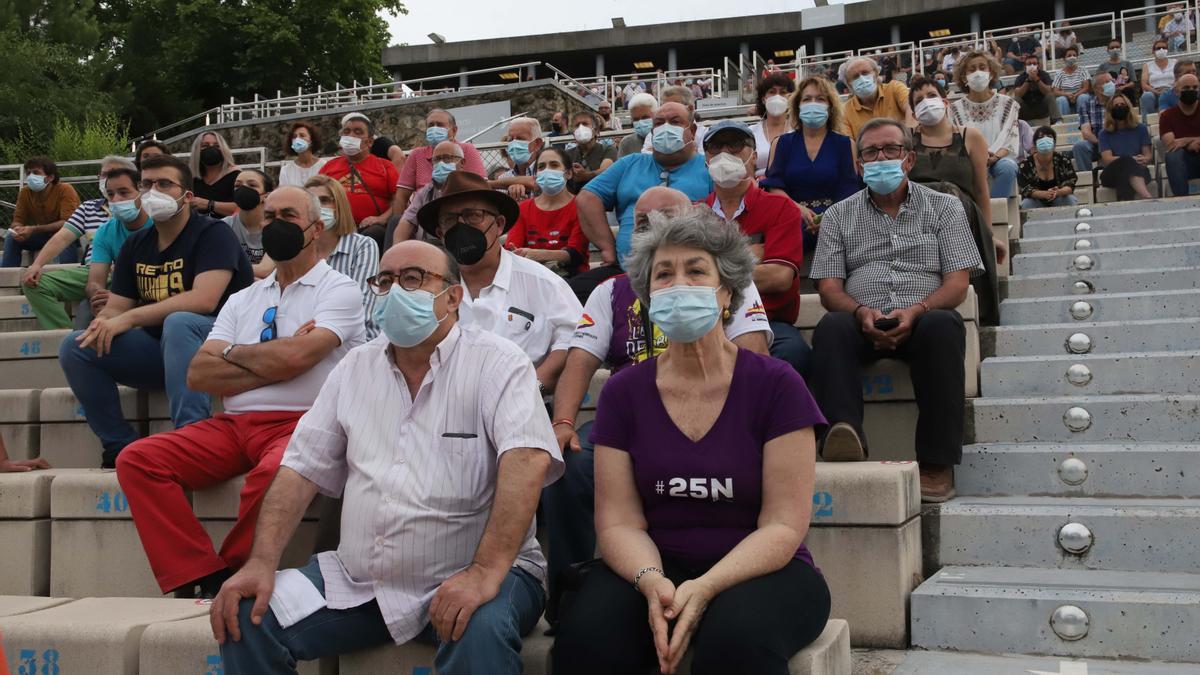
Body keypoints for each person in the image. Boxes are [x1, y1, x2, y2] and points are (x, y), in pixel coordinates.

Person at [211, 240, 564, 675]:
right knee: (247, 618)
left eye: (413, 278)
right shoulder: (354, 367)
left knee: (478, 633)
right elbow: (300, 468)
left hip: (483, 572)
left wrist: (484, 571)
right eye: (385, 280)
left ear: (453, 297)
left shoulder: (499, 362)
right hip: (360, 583)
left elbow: (527, 461)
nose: (396, 290)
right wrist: (261, 563)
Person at [553, 207, 831, 675]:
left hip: (761, 568)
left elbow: (783, 526)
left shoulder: (776, 384)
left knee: (737, 642)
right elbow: (619, 522)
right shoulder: (624, 391)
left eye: (696, 270)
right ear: (647, 295)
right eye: (664, 274)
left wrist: (705, 587)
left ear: (727, 292)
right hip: (653, 564)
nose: (678, 284)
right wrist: (652, 582)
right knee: (588, 639)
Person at [116, 185, 366, 599]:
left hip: (303, 422)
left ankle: (235, 569)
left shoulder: (339, 290)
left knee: (273, 474)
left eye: (287, 216)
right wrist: (281, 357)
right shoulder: (243, 298)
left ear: (316, 228)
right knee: (139, 459)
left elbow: (295, 358)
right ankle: (197, 570)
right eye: (268, 217)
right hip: (233, 426)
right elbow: (199, 374)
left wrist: (235, 356)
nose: (274, 225)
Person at [542, 189, 773, 620]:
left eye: (665, 215)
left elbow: (754, 352)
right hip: (631, 418)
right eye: (642, 219)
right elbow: (579, 360)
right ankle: (568, 592)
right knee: (567, 463)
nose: (653, 225)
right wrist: (564, 422)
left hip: (715, 408)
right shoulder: (611, 290)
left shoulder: (726, 280)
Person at [809, 118, 982, 502]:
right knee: (831, 327)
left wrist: (918, 309)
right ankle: (843, 434)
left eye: (891, 149)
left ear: (909, 158)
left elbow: (957, 281)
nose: (880, 158)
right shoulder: (839, 214)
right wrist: (859, 312)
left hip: (923, 317)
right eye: (870, 152)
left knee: (943, 326)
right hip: (861, 320)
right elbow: (828, 286)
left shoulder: (945, 207)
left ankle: (936, 464)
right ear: (858, 164)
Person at [58, 154, 254, 468]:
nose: (153, 192)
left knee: (180, 322)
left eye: (164, 184)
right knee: (76, 345)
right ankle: (120, 445)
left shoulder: (213, 234)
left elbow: (204, 300)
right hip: (162, 353)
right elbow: (116, 307)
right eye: (146, 184)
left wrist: (130, 317)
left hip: (223, 348)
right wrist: (105, 322)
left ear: (187, 196)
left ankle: (191, 436)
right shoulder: (136, 245)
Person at [415, 171, 583, 390]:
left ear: (500, 224)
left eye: (473, 215)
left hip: (525, 408)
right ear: (440, 232)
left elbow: (574, 338)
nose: (461, 226)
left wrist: (531, 387)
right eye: (449, 220)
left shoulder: (543, 283)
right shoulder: (427, 292)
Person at [573, 101, 714, 303]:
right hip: (627, 268)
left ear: (691, 130)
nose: (666, 127)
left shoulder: (708, 167)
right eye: (659, 123)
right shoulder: (630, 163)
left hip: (687, 269)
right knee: (576, 291)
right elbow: (587, 198)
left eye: (675, 122)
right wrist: (607, 249)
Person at [701, 121, 808, 373]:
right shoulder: (696, 213)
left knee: (794, 354)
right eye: (716, 148)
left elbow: (779, 278)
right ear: (705, 158)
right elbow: (687, 280)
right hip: (706, 321)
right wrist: (750, 257)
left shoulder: (781, 208)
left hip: (768, 320)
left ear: (753, 156)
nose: (725, 154)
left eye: (736, 146)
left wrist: (707, 269)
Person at [908, 76, 1003, 326]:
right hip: (920, 221)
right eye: (919, 101)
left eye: (931, 96)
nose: (926, 103)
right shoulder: (906, 140)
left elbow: (982, 191)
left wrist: (990, 235)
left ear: (945, 101)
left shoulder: (970, 137)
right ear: (914, 113)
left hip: (965, 218)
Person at [22, 163, 147, 331]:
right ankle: (65, 337)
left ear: (141, 189)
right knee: (33, 283)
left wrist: (119, 299)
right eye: (111, 193)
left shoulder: (159, 223)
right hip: (95, 270)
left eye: (123, 192)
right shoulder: (101, 225)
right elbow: (63, 237)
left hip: (141, 281)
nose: (116, 199)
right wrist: (37, 265)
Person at [762, 76, 861, 252]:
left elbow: (849, 190)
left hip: (837, 222)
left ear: (830, 107)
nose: (813, 103)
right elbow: (774, 187)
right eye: (807, 99)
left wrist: (827, 219)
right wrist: (799, 210)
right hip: (791, 217)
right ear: (797, 106)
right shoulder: (781, 143)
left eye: (820, 99)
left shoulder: (845, 144)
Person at [305, 175, 381, 339]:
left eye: (324, 200)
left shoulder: (363, 246)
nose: (318, 207)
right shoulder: (299, 250)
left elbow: (363, 307)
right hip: (308, 340)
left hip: (357, 340)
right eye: (312, 202)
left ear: (339, 206)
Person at [318, 112, 398, 253]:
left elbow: (399, 199)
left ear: (370, 141)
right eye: (347, 132)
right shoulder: (329, 167)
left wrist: (381, 219)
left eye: (358, 132)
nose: (351, 136)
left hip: (370, 229)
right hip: (335, 226)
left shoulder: (385, 166)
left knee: (373, 235)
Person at [506, 147, 589, 277]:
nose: (547, 171)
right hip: (531, 277)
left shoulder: (581, 206)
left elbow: (576, 254)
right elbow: (513, 250)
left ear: (568, 173)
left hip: (571, 279)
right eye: (541, 167)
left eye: (554, 165)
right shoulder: (523, 208)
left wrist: (536, 254)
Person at [950, 51, 1021, 199]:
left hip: (998, 159)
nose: (978, 72)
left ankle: (994, 210)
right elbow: (955, 142)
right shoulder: (954, 109)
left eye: (982, 67)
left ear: (991, 73)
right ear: (964, 77)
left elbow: (1010, 139)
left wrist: (994, 156)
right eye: (972, 69)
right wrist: (977, 158)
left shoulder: (1009, 104)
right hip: (968, 161)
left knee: (1008, 167)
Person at [393, 109, 487, 218]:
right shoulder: (417, 155)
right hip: (424, 216)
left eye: (440, 125)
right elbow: (401, 195)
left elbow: (481, 188)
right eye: (431, 125)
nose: (434, 129)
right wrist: (398, 221)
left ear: (454, 131)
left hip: (462, 213)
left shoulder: (467, 150)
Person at [2, 157, 81, 268]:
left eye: (35, 173)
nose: (30, 176)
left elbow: (68, 223)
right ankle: (7, 278)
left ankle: (68, 277)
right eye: (28, 173)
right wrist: (18, 230)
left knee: (66, 239)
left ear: (50, 177)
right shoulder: (25, 192)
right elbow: (17, 220)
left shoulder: (65, 189)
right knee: (11, 237)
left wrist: (33, 229)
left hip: (65, 233)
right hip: (43, 236)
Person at [391, 141, 466, 246]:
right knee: (395, 222)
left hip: (461, 246)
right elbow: (407, 221)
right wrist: (397, 249)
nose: (441, 163)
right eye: (436, 160)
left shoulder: (471, 190)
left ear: (462, 163)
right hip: (428, 247)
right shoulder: (426, 192)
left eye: (447, 158)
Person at [1099, 94, 1154, 201]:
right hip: (1111, 173)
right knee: (1126, 162)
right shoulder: (1104, 133)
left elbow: (1148, 155)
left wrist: (1145, 159)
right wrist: (1131, 159)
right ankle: (1146, 196)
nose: (1120, 107)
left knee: (1125, 174)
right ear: (1110, 110)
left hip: (1138, 169)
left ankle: (1126, 201)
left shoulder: (1141, 129)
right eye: (1116, 105)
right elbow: (1107, 159)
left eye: (1122, 104)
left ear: (1128, 108)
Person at [841, 57, 911, 141]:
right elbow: (848, 143)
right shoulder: (845, 111)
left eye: (865, 72)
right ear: (849, 83)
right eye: (855, 76)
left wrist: (908, 139)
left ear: (876, 73)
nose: (862, 78)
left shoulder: (894, 88)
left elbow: (911, 108)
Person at [224, 169, 276, 278]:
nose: (243, 189)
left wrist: (229, 269)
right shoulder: (223, 226)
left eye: (252, 185)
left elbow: (264, 270)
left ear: (266, 196)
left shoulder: (277, 227)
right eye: (237, 186)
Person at [1019, 126, 1080, 208]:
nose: (1045, 140)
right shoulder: (1025, 164)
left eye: (1049, 137)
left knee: (1070, 199)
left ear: (1054, 143)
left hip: (1059, 197)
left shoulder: (1063, 159)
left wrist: (1058, 192)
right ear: (1035, 144)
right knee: (1026, 203)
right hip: (1036, 200)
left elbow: (1070, 184)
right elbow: (1024, 188)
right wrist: (1043, 194)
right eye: (1041, 138)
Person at [1161, 73, 1200, 197]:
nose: (1191, 90)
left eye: (1195, 88)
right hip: (1184, 164)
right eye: (1186, 88)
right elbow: (1171, 144)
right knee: (1173, 155)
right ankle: (1182, 201)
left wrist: (1185, 141)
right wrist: (1190, 144)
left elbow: (1179, 142)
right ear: (1177, 92)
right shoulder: (1167, 116)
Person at [750, 74, 796, 177]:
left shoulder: (798, 130)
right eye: (772, 92)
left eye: (783, 92)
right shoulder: (751, 132)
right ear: (763, 99)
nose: (777, 96)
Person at [490, 116, 544, 201]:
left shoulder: (547, 171)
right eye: (510, 139)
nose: (514, 143)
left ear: (537, 144)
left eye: (520, 139)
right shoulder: (503, 178)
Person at [190, 131, 241, 218]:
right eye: (205, 146)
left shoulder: (237, 176)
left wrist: (209, 204)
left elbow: (243, 208)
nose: (211, 149)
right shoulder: (191, 179)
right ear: (197, 151)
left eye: (217, 146)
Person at [564, 111, 617, 192]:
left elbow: (606, 171)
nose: (581, 128)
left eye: (585, 124)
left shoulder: (608, 149)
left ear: (596, 131)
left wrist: (586, 175)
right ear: (573, 134)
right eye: (577, 125)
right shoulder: (567, 154)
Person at [1074, 73, 1116, 172]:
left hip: (1117, 141)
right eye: (1106, 82)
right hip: (1096, 143)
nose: (1111, 84)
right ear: (1096, 88)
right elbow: (1086, 132)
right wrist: (1103, 144)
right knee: (1080, 146)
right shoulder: (1086, 105)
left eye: (1112, 81)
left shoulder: (1119, 102)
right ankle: (1088, 179)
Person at [278, 121, 328, 188]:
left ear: (311, 140)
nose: (297, 139)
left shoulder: (324, 166)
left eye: (302, 135)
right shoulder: (286, 170)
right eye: (294, 136)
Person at [1012, 54, 1056, 127]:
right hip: (1026, 109)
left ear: (1038, 65)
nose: (1032, 66)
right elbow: (1018, 94)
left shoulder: (1044, 74)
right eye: (1029, 64)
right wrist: (1028, 80)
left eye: (1034, 64)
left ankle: (1056, 120)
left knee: (1050, 95)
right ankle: (1014, 124)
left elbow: (1048, 91)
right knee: (1016, 99)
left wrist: (1036, 79)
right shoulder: (1020, 77)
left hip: (1041, 108)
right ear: (1025, 66)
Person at [1141, 39, 1177, 116]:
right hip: (1154, 92)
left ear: (1167, 50)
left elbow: (1179, 79)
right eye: (1158, 48)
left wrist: (1168, 91)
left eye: (1164, 48)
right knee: (1146, 96)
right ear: (1153, 51)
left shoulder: (1175, 62)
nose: (1161, 50)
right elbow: (1144, 85)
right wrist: (1157, 92)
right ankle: (1147, 122)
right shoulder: (1147, 65)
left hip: (1171, 91)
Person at [1052, 47, 1091, 117]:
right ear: (1064, 58)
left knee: (1083, 97)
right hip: (1065, 96)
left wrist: (1076, 95)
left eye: (1074, 55)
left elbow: (1086, 87)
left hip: (1079, 95)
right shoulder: (1059, 73)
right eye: (1069, 55)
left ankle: (1083, 119)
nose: (1072, 57)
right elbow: (1055, 91)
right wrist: (1067, 95)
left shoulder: (1083, 70)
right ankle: (1065, 121)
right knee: (1061, 100)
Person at [618, 93, 657, 158]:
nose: (641, 122)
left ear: (656, 115)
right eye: (636, 119)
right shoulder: (626, 143)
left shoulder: (669, 139)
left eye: (645, 117)